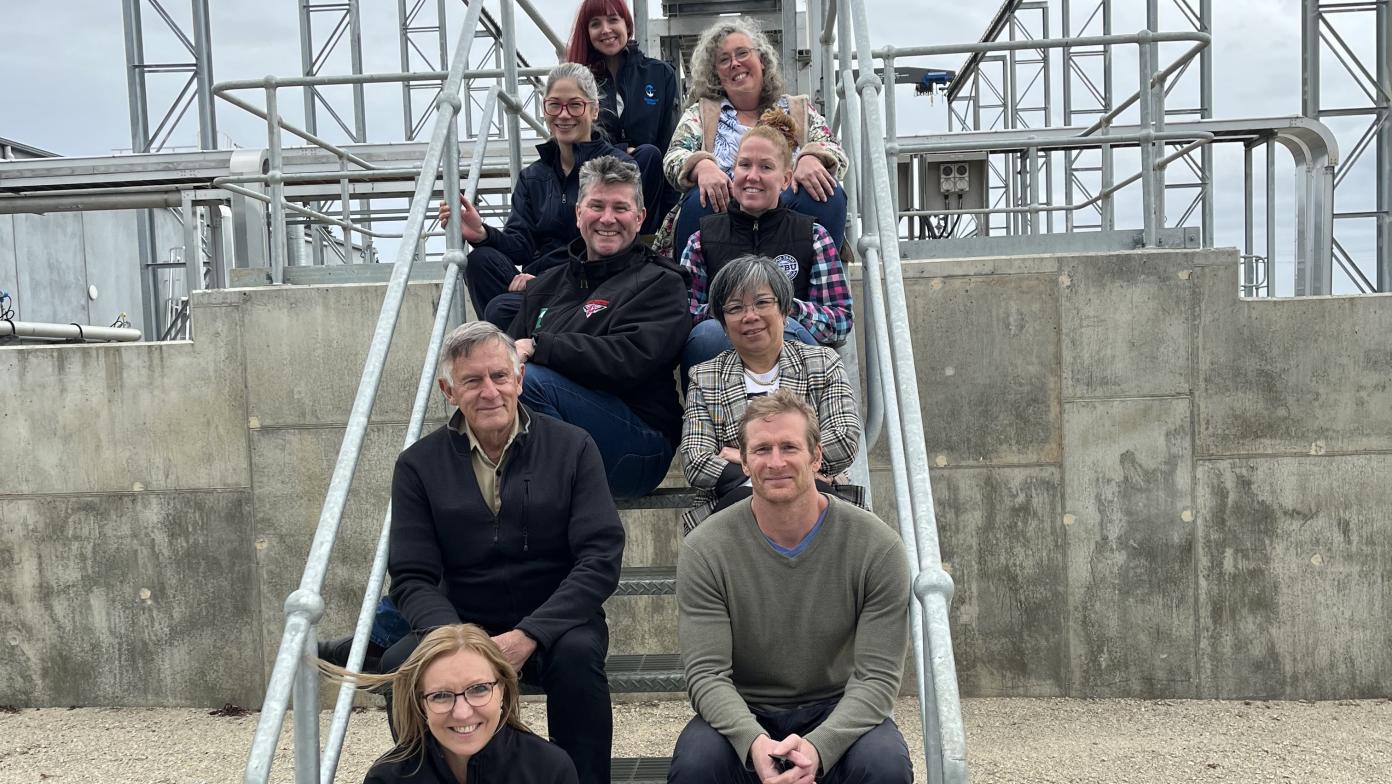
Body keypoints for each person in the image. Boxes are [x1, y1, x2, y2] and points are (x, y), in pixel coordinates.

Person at [384, 321, 624, 784]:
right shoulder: (417, 465)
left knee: (579, 659)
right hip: (461, 620)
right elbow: (411, 576)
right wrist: (460, 644)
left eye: (499, 376)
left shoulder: (574, 448)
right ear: (448, 391)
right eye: (472, 381)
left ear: (518, 380)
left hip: (557, 623)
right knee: (402, 662)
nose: (489, 391)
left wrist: (531, 633)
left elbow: (600, 558)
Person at [670, 390, 913, 784]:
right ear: (744, 463)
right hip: (746, 707)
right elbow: (707, 675)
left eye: (790, 447)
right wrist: (754, 743)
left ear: (816, 457)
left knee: (884, 763)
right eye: (762, 449)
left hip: (837, 706)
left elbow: (877, 679)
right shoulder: (706, 548)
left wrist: (818, 748)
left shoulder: (877, 547)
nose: (776, 462)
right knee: (697, 764)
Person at [507, 154, 689, 499]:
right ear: (578, 214)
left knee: (527, 382)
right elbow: (507, 354)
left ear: (640, 218)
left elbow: (628, 361)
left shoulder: (662, 283)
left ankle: (538, 501)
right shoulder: (545, 285)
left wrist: (540, 347)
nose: (608, 219)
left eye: (620, 208)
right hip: (564, 431)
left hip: (638, 446)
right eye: (596, 206)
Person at [441, 63, 636, 329]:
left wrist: (543, 279)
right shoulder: (534, 176)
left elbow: (611, 244)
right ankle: (513, 348)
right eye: (554, 105)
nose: (563, 115)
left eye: (575, 105)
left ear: (594, 110)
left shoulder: (616, 166)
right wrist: (482, 233)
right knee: (480, 261)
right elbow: (520, 245)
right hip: (541, 286)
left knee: (500, 310)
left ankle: (508, 352)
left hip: (591, 284)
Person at [680, 255, 861, 533]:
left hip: (818, 500)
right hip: (734, 506)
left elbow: (844, 439)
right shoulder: (705, 377)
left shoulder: (823, 364)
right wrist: (793, 463)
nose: (750, 316)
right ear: (724, 323)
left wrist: (744, 458)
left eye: (762, 303)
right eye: (735, 307)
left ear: (785, 309)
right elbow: (695, 460)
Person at [660, 16, 850, 258]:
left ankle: (816, 285)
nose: (735, 63)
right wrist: (702, 164)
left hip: (786, 217)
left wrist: (812, 157)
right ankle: (696, 291)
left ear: (761, 59)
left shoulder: (797, 109)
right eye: (724, 60)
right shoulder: (702, 113)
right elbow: (674, 156)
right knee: (701, 198)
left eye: (742, 53)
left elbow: (835, 150)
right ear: (716, 74)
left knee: (825, 191)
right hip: (727, 219)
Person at [679, 110, 853, 372]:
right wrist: (736, 312)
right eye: (745, 165)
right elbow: (684, 315)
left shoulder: (813, 236)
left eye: (766, 167)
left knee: (787, 329)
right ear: (733, 171)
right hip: (724, 370)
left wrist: (780, 309)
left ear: (785, 179)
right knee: (707, 336)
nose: (752, 176)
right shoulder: (701, 240)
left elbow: (840, 321)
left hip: (790, 365)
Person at [324, 624, 579, 784]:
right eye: (441, 695)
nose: (462, 712)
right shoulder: (388, 777)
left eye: (479, 689)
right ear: (421, 703)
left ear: (502, 689)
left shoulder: (550, 769)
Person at [565, 0, 678, 234]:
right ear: (587, 32)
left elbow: (669, 144)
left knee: (649, 155)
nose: (606, 30)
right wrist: (620, 150)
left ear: (627, 24)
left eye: (613, 20)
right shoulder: (579, 81)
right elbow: (571, 145)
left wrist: (671, 221)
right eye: (596, 23)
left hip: (647, 191)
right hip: (594, 183)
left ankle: (642, 237)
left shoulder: (659, 74)